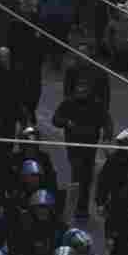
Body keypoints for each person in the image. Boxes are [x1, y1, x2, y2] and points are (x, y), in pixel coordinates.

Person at [53, 64, 112, 218]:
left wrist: (106, 136)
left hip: (90, 145)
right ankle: (73, 206)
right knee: (77, 174)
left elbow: (106, 120)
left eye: (84, 90)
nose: (82, 92)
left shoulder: (96, 105)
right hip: (74, 146)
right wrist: (67, 123)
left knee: (87, 177)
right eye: (79, 89)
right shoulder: (69, 103)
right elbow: (56, 119)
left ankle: (83, 207)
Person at [0, 46, 27, 173]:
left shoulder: (15, 70)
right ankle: (2, 162)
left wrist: (22, 108)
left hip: (12, 110)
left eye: (6, 56)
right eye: (2, 56)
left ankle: (6, 161)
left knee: (10, 136)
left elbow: (20, 89)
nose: (5, 59)